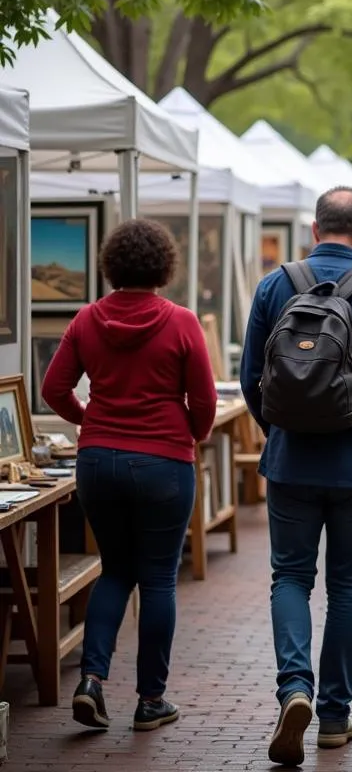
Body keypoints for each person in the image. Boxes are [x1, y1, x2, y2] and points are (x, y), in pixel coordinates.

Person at [240, 187, 352, 768]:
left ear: (314, 229)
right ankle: (335, 718)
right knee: (348, 588)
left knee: (289, 577)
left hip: (292, 460)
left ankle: (295, 687)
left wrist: (279, 431)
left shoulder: (275, 286)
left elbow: (251, 376)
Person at [41, 218, 217, 733]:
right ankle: (149, 700)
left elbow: (54, 389)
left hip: (99, 461)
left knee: (114, 569)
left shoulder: (87, 319)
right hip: (164, 460)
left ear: (110, 264)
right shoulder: (182, 321)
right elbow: (203, 398)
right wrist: (192, 433)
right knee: (159, 577)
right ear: (164, 265)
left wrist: (88, 420)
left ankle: (92, 681)